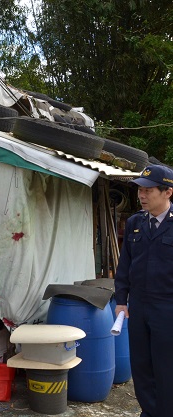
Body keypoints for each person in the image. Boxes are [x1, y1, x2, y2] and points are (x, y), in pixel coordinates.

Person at [114, 164, 173, 417]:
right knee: (141, 365)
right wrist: (121, 299)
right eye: (140, 189)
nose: (142, 195)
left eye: (149, 190)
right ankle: (149, 412)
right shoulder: (136, 222)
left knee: (166, 366)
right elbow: (124, 264)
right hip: (138, 306)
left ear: (167, 192)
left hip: (167, 307)